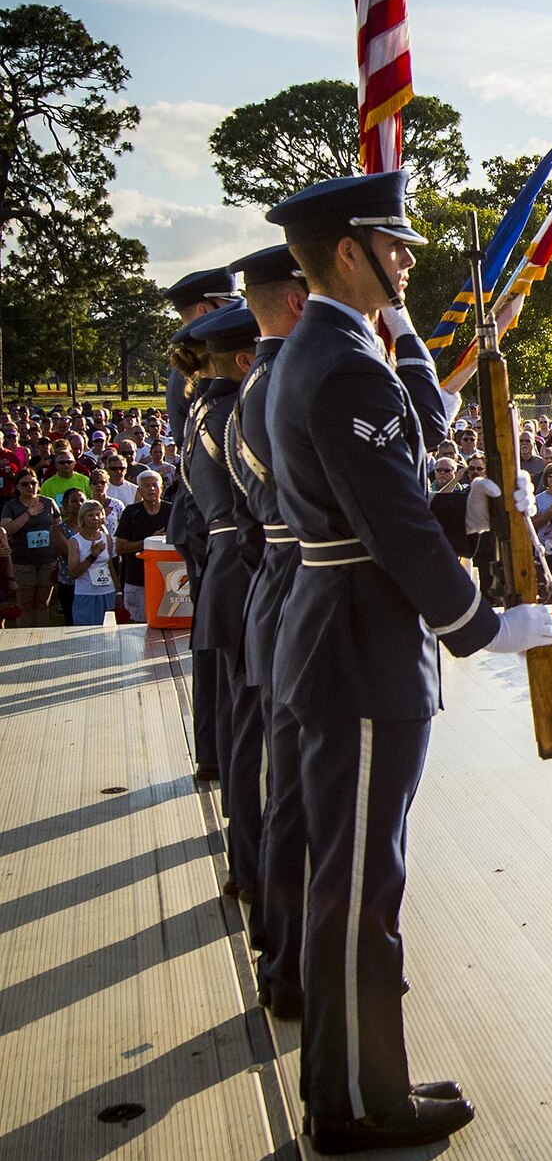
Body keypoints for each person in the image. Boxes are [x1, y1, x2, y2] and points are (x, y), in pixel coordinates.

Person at [263, 170, 552, 1153]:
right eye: (393, 245)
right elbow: (385, 527)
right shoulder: (345, 363)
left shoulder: (327, 350)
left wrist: (460, 510)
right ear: (346, 250)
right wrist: (482, 628)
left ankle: (362, 1082)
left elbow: (372, 507)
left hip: (350, 633)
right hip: (357, 646)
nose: (408, 259)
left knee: (361, 879)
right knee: (358, 890)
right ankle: (353, 1105)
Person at [222, 242, 310, 1021]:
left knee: (289, 795)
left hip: (276, 587)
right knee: (300, 802)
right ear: (297, 300)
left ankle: (284, 954)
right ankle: (291, 961)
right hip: (302, 589)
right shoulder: (286, 379)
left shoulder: (257, 381)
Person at [181, 302, 266, 900]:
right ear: (242, 359)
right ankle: (253, 864)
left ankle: (246, 859)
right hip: (243, 568)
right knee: (254, 733)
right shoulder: (233, 410)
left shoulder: (200, 409)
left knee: (242, 728)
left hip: (224, 572)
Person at [3, 469, 61, 626]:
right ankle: (24, 640)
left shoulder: (49, 503)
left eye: (33, 483)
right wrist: (28, 513)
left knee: (42, 603)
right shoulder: (11, 506)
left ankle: (41, 641)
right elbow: (7, 529)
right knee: (26, 605)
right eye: (25, 484)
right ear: (17, 487)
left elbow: (58, 529)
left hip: (47, 560)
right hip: (23, 562)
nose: (30, 486)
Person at [113, 468, 166, 621]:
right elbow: (120, 547)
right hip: (137, 579)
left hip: (166, 579)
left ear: (161, 489)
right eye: (146, 486)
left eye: (155, 485)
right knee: (137, 626)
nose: (151, 489)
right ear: (139, 490)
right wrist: (149, 541)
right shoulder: (130, 512)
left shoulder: (172, 510)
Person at [63, 498, 118, 625]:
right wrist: (92, 557)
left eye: (98, 514)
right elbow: (73, 573)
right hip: (86, 593)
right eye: (90, 515)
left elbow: (110, 565)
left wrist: (117, 591)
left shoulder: (107, 538)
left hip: (107, 591)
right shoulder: (75, 541)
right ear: (82, 518)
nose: (95, 518)